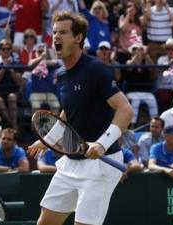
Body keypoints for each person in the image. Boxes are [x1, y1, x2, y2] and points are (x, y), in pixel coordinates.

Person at [28, 11, 133, 225]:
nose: (56, 37)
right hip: (71, 162)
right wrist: (49, 138)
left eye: (63, 32)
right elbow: (69, 112)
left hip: (102, 166)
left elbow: (125, 110)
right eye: (55, 32)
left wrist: (102, 144)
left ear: (78, 38)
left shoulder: (96, 69)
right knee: (46, 222)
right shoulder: (62, 75)